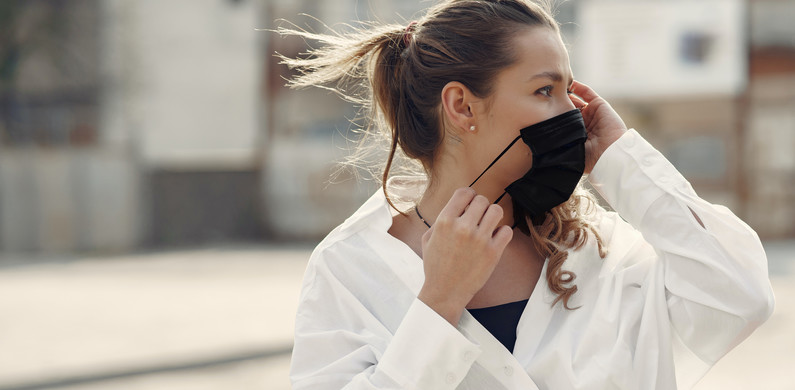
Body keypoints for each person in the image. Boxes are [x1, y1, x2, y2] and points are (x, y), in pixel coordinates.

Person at [278, 1, 776, 389]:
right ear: (462, 106)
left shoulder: (599, 250)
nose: (574, 113)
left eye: (570, 91)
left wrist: (625, 161)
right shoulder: (351, 269)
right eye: (545, 91)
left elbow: (741, 297)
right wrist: (439, 303)